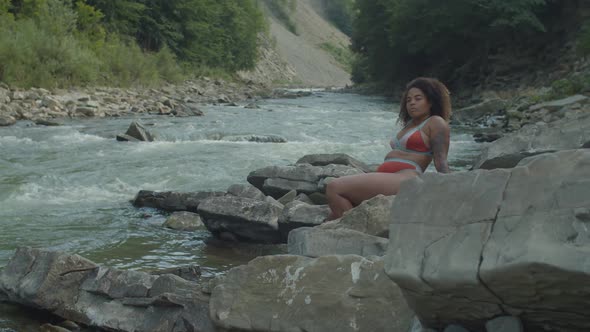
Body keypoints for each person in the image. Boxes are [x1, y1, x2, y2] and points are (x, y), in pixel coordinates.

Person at [325, 77, 452, 220]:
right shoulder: (410, 124)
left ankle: (352, 232)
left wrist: (454, 191)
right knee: (330, 218)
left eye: (418, 99)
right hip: (388, 178)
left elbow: (441, 162)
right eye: (408, 100)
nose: (412, 103)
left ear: (430, 101)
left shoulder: (436, 122)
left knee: (334, 187)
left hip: (405, 179)